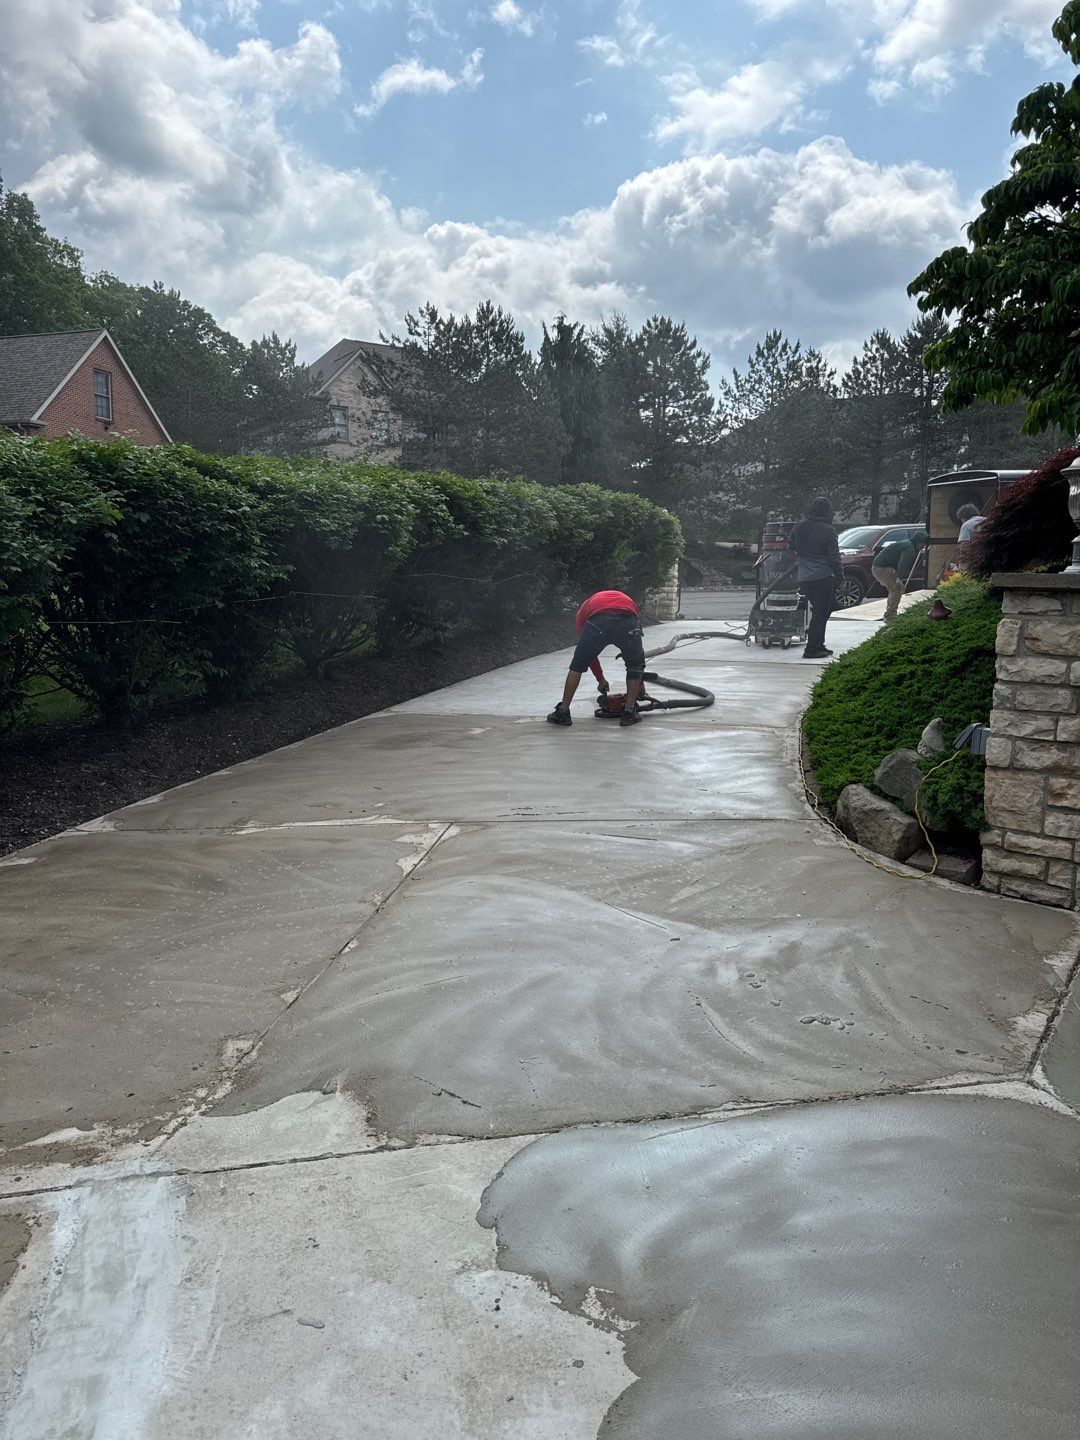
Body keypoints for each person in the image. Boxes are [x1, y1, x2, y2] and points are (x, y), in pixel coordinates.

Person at [547, 589, 646, 728]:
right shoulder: (627, 600)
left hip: (599, 621)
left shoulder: (584, 610)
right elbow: (637, 656)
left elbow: (588, 655)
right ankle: (629, 712)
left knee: (577, 666)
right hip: (628, 618)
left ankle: (563, 713)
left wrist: (600, 679)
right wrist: (640, 684)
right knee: (634, 666)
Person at [788, 497, 842, 660]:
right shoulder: (828, 530)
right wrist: (840, 577)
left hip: (804, 578)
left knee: (825, 608)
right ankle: (812, 649)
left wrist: (804, 555)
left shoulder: (799, 526)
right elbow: (834, 558)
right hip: (823, 577)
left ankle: (818, 644)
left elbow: (790, 547)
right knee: (820, 612)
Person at [871, 530, 926, 623]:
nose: (923, 546)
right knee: (896, 588)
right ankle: (890, 616)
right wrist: (899, 578)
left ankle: (890, 613)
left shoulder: (907, 544)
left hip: (879, 567)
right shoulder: (909, 548)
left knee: (896, 589)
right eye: (922, 544)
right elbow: (902, 563)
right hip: (882, 568)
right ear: (917, 542)